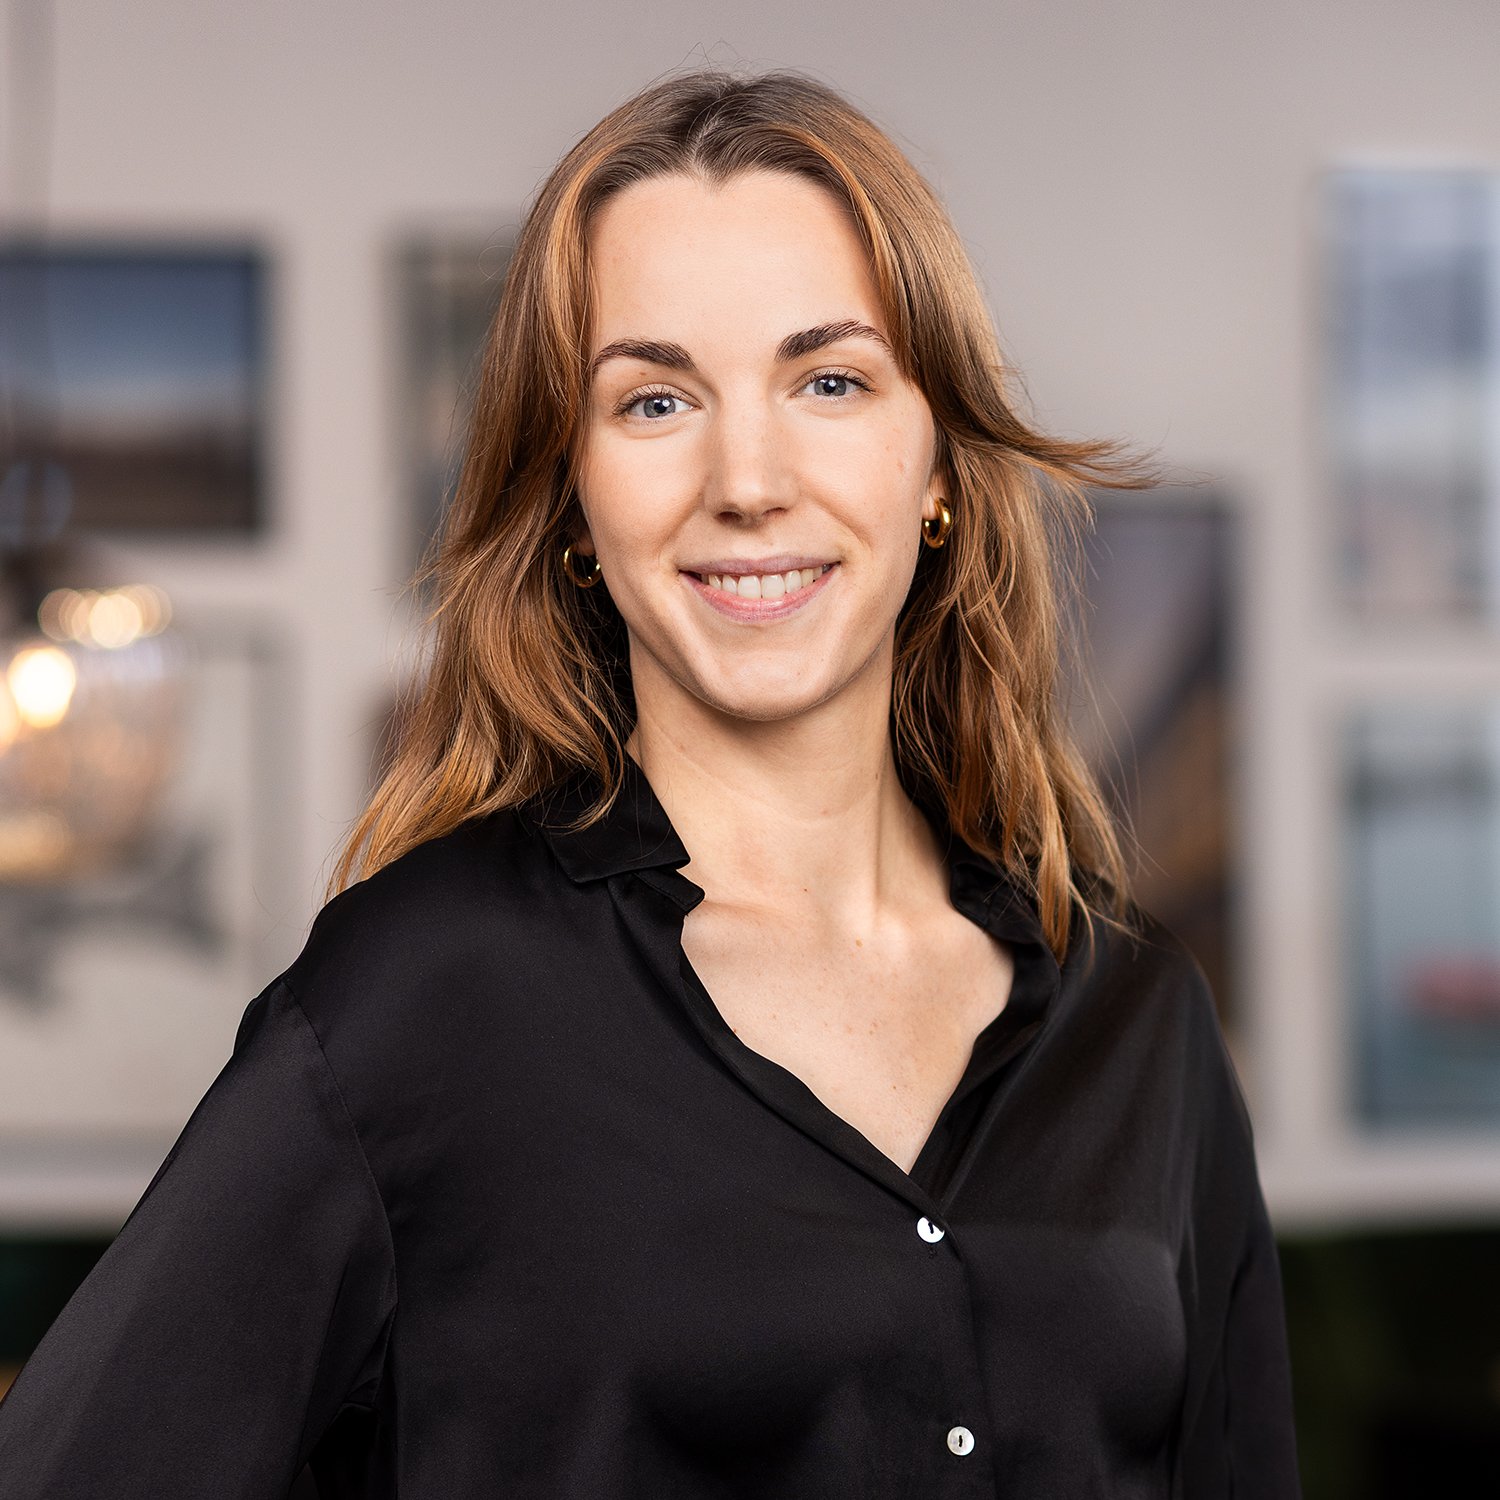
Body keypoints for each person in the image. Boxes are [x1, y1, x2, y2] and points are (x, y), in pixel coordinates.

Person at [0, 66, 1301, 1498]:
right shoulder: (424, 999)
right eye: (657, 399)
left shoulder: (1138, 1021)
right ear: (575, 500)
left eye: (829, 380)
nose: (748, 477)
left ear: (935, 463)